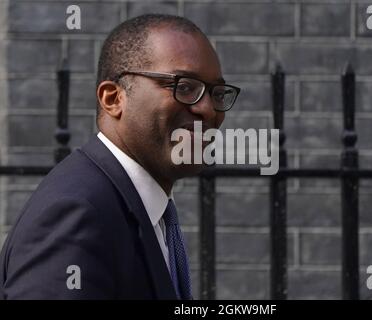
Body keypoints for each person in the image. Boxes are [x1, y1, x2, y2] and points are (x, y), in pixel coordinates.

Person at [0, 14, 240, 299]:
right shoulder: (77, 213)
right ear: (113, 99)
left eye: (216, 93)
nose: (208, 110)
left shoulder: (142, 208)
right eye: (185, 87)